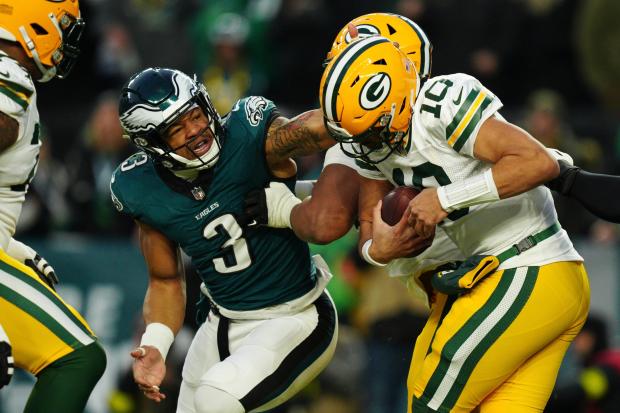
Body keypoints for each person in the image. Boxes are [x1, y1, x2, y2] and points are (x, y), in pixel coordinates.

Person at [111, 67, 338, 413]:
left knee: (216, 401)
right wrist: (156, 344)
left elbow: (311, 132)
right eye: (176, 129)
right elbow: (166, 280)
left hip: (295, 315)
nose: (195, 130)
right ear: (151, 143)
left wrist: (359, 110)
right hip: (221, 322)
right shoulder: (141, 188)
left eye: (195, 114)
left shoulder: (248, 137)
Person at [0, 1, 107, 412]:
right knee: (76, 357)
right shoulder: (8, 74)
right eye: (61, 25)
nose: (66, 37)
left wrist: (12, 248)